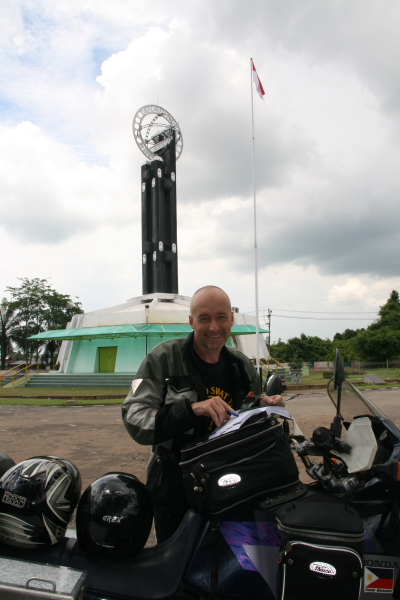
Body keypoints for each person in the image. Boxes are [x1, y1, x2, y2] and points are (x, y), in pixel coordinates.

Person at [122, 286, 283, 543]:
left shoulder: (240, 365)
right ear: (191, 321)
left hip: (231, 481)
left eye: (221, 317)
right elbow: (134, 417)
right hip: (175, 484)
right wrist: (190, 410)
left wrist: (263, 403)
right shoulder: (163, 359)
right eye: (204, 318)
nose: (213, 327)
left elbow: (245, 408)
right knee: (178, 568)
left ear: (231, 319)